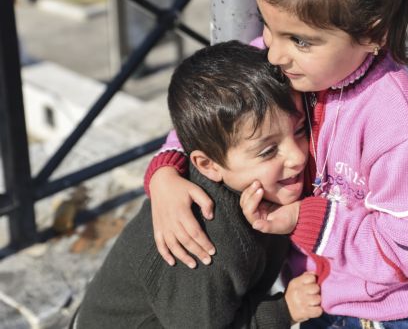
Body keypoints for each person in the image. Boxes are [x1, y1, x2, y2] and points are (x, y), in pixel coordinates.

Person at [145, 0, 408, 327]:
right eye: (268, 27)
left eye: (301, 40)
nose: (274, 53)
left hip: (388, 310)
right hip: (317, 291)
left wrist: (307, 220)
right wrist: (166, 172)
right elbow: (217, 114)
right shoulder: (290, 64)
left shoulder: (403, 129)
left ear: (373, 32)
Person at [75, 41, 322, 328]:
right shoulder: (207, 241)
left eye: (300, 130)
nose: (297, 156)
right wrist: (284, 311)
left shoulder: (247, 177)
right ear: (208, 165)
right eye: (268, 151)